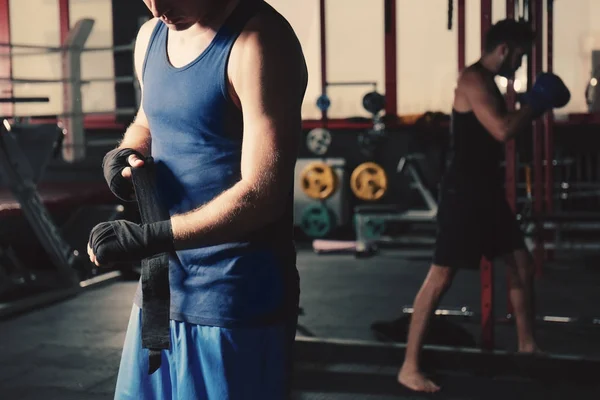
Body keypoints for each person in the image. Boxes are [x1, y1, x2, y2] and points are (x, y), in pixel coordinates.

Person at [87, 0, 308, 398]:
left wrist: (149, 237)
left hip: (234, 297)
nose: (157, 9)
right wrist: (124, 155)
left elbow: (262, 194)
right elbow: (146, 120)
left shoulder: (257, 42)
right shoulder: (151, 36)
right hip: (161, 292)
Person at [396, 19, 570, 393]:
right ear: (504, 49)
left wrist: (529, 105)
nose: (520, 65)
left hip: (486, 192)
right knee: (441, 276)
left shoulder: (491, 83)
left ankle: (527, 346)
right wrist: (535, 103)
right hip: (464, 194)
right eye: (520, 56)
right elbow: (502, 129)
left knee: (521, 263)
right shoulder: (473, 79)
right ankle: (409, 367)